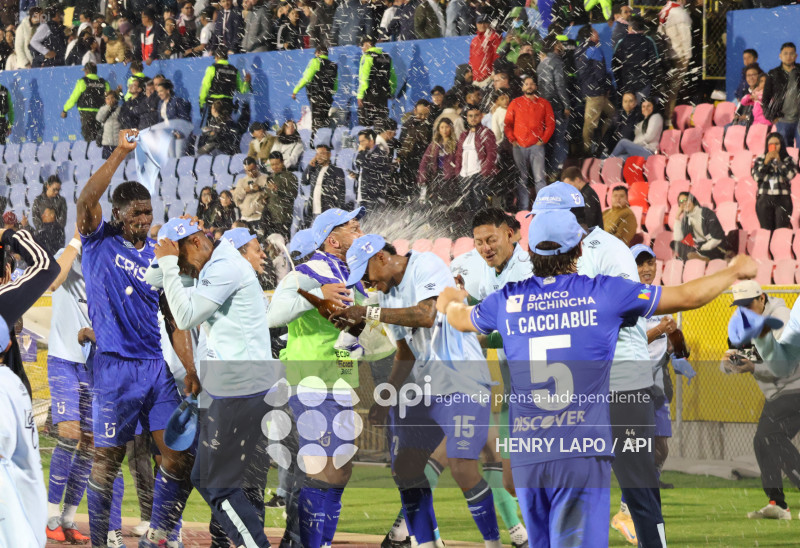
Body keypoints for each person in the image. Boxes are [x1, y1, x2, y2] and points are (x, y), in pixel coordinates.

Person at [437, 207, 758, 548]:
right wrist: (734, 270)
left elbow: (460, 319)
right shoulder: (604, 292)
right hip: (581, 452)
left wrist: (449, 302)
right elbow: (689, 296)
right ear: (578, 249)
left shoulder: (508, 299)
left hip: (530, 455)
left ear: (530, 252)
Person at [333, 233, 502, 548]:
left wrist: (367, 313)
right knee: (405, 467)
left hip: (460, 379)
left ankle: (494, 544)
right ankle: (426, 544)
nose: (367, 285)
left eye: (366, 277)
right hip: (422, 387)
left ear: (381, 258)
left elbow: (426, 315)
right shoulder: (385, 296)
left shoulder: (427, 264)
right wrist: (386, 396)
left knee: (463, 466)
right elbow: (405, 352)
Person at [75, 129, 196, 548]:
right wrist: (120, 153)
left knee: (180, 456)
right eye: (138, 212)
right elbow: (85, 199)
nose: (145, 218)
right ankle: (103, 538)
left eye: (148, 211)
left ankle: (160, 535)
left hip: (155, 370)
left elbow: (175, 321)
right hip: (113, 369)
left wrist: (192, 369)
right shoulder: (98, 240)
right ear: (118, 212)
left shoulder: (157, 254)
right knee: (107, 461)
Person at [146, 217, 277, 548]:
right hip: (234, 387)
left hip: (242, 388)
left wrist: (167, 261)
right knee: (207, 478)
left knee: (221, 484)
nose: (182, 271)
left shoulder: (223, 267)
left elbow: (186, 317)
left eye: (180, 262)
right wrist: (166, 257)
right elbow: (152, 278)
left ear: (194, 244)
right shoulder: (209, 266)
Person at [267, 206, 367, 548]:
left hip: (339, 380)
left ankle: (315, 542)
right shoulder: (309, 271)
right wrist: (317, 297)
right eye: (352, 227)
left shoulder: (353, 272)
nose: (359, 230)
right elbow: (274, 315)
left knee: (340, 470)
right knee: (321, 470)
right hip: (310, 379)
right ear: (333, 239)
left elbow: (353, 333)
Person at [721, 280, 800, 520]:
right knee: (762, 441)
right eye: (739, 305)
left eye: (748, 304)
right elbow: (732, 360)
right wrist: (730, 364)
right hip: (777, 393)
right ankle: (777, 504)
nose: (744, 310)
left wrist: (752, 367)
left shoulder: (783, 317)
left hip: (795, 388)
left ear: (762, 298)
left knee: (770, 436)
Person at [43, 231, 94, 545]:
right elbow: (52, 282)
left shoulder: (104, 263)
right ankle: (50, 516)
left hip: (94, 364)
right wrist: (75, 240)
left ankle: (68, 518)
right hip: (63, 358)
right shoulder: (67, 254)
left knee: (89, 443)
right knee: (69, 435)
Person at [633, 244, 691, 489]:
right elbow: (631, 340)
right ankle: (638, 491)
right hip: (632, 379)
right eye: (641, 264)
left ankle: (649, 484)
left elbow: (674, 342)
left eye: (651, 263)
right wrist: (659, 329)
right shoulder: (628, 299)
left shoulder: (661, 296)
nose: (647, 269)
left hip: (658, 377)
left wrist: (677, 344)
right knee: (637, 440)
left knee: (661, 443)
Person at [504, 75, 555, 210]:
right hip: (519, 146)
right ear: (522, 87)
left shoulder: (544, 103)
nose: (529, 86)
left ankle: (543, 208)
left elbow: (550, 124)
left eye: (532, 84)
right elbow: (507, 124)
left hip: (536, 146)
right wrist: (512, 139)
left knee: (539, 178)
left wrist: (542, 140)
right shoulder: (515, 103)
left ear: (536, 87)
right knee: (522, 178)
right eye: (526, 84)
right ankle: (523, 209)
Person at [576, 25, 614, 156]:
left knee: (612, 114)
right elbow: (600, 73)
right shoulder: (593, 49)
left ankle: (599, 144)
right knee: (590, 124)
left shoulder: (580, 49)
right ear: (590, 36)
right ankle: (588, 151)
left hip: (588, 90)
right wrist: (605, 86)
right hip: (596, 93)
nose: (598, 34)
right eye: (595, 32)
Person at [537, 35, 570, 176]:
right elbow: (560, 85)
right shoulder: (557, 63)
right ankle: (558, 170)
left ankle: (548, 169)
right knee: (559, 138)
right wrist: (566, 104)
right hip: (556, 105)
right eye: (559, 43)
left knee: (549, 139)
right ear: (555, 46)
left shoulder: (541, 64)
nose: (562, 46)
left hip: (544, 107)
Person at [293, 46, 339, 147]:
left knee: (316, 120)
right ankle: (326, 143)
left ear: (318, 53)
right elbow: (335, 84)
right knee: (324, 119)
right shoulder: (333, 65)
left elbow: (306, 78)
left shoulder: (315, 61)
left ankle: (313, 142)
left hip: (316, 95)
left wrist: (295, 90)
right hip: (327, 97)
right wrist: (330, 93)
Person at [455, 106, 498, 213]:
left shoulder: (487, 132)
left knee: (479, 205)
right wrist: (458, 171)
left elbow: (491, 155)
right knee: (467, 205)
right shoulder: (464, 135)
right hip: (464, 175)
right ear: (467, 118)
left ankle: (480, 227)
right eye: (470, 116)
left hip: (478, 174)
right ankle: (469, 228)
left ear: (481, 116)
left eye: (476, 116)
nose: (473, 118)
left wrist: (484, 173)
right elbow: (459, 155)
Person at [752, 132, 797, 231]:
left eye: (777, 144)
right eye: (771, 144)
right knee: (766, 232)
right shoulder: (760, 159)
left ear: (782, 145)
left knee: (780, 232)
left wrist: (779, 162)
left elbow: (790, 175)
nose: (774, 146)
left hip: (783, 199)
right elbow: (756, 177)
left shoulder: (789, 160)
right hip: (764, 198)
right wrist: (765, 163)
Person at [657, 0, 692, 124]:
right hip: (680, 55)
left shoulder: (665, 10)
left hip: (668, 55)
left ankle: (662, 115)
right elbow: (686, 37)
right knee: (674, 89)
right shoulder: (680, 13)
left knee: (666, 88)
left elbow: (660, 33)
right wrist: (687, 56)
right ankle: (668, 118)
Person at [612, 16, 660, 100]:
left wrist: (620, 80)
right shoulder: (648, 41)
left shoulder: (622, 42)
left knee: (628, 107)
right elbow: (655, 62)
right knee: (641, 107)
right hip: (643, 81)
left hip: (626, 81)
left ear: (630, 27)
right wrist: (649, 78)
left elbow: (615, 63)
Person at [762, 42, 800, 147]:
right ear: (780, 56)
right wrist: (771, 117)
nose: (788, 56)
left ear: (796, 56)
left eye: (791, 53)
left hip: (799, 119)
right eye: (785, 53)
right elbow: (765, 98)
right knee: (786, 150)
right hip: (782, 119)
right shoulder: (773, 74)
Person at [672, 192, 728, 262]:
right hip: (698, 248)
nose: (684, 203)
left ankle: (698, 257)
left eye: (686, 200)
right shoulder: (686, 219)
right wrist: (677, 217)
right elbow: (678, 238)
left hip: (715, 247)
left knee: (689, 254)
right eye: (681, 202)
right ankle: (699, 258)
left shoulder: (707, 213)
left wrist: (702, 249)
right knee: (674, 244)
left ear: (693, 200)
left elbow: (717, 239)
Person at [62, 62, 110, 143]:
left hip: (86, 113)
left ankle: (90, 152)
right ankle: (97, 151)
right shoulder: (104, 83)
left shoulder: (83, 82)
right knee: (98, 136)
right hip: (100, 113)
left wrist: (65, 110)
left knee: (88, 137)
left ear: (87, 72)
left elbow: (73, 98)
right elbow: (109, 98)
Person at [199, 47, 252, 115]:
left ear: (217, 57)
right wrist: (246, 82)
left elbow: (205, 86)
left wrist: (201, 103)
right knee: (225, 124)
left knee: (212, 124)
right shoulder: (235, 70)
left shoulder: (212, 68)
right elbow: (242, 90)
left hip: (215, 104)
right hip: (228, 104)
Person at [357, 36, 397, 126]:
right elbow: (393, 77)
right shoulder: (386, 57)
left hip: (370, 94)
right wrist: (391, 91)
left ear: (368, 44)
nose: (362, 48)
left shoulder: (367, 56)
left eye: (362, 45)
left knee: (367, 124)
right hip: (383, 94)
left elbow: (364, 78)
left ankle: (370, 139)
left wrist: (360, 95)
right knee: (381, 122)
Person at [302, 143, 347, 222]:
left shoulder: (337, 171)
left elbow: (340, 194)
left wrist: (338, 212)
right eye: (317, 154)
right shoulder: (314, 170)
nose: (319, 156)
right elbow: (304, 181)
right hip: (314, 211)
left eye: (322, 153)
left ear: (329, 155)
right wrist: (309, 166)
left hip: (328, 211)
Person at [418, 117, 458, 203]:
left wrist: (454, 172)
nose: (444, 130)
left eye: (447, 127)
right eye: (442, 127)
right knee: (434, 202)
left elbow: (459, 161)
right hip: (435, 177)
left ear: (451, 128)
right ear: (439, 129)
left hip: (450, 179)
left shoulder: (456, 144)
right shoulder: (434, 144)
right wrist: (423, 176)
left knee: (448, 202)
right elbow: (424, 161)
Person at [353, 128, 392, 210]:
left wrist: (360, 152)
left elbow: (367, 167)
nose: (360, 144)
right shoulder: (366, 154)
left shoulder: (380, 154)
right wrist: (357, 176)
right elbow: (359, 165)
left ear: (371, 141)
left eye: (363, 141)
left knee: (373, 221)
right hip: (364, 196)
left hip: (374, 198)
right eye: (360, 141)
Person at [262, 151, 299, 238]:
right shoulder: (270, 177)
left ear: (282, 162)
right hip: (270, 218)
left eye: (277, 164)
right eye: (272, 164)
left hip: (283, 218)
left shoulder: (291, 176)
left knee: (283, 246)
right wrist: (264, 198)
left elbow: (293, 194)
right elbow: (267, 194)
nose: (275, 167)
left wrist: (278, 190)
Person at [234, 156, 270, 233]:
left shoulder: (265, 178)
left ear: (257, 167)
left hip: (259, 217)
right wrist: (245, 190)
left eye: (253, 170)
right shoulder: (242, 181)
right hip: (245, 218)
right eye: (248, 171)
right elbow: (236, 199)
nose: (251, 173)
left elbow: (270, 195)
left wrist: (260, 189)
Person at [602, 92, 642, 156]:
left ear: (635, 102)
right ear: (622, 103)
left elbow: (629, 133)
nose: (627, 104)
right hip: (613, 148)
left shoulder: (639, 115)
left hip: (628, 149)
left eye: (630, 101)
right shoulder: (619, 113)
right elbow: (609, 131)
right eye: (625, 101)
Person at [470, 13, 501, 86]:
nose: (482, 25)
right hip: (476, 79)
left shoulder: (494, 37)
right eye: (480, 22)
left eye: (485, 22)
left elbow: (497, 55)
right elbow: (472, 59)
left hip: (489, 78)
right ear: (476, 24)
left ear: (489, 24)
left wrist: (495, 72)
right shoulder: (474, 40)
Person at [96, 90, 122, 159]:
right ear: (105, 100)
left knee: (118, 164)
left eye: (112, 98)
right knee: (106, 164)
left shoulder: (120, 109)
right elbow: (99, 118)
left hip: (117, 142)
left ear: (115, 99)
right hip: (107, 143)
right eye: (108, 98)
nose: (110, 100)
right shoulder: (103, 109)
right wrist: (108, 108)